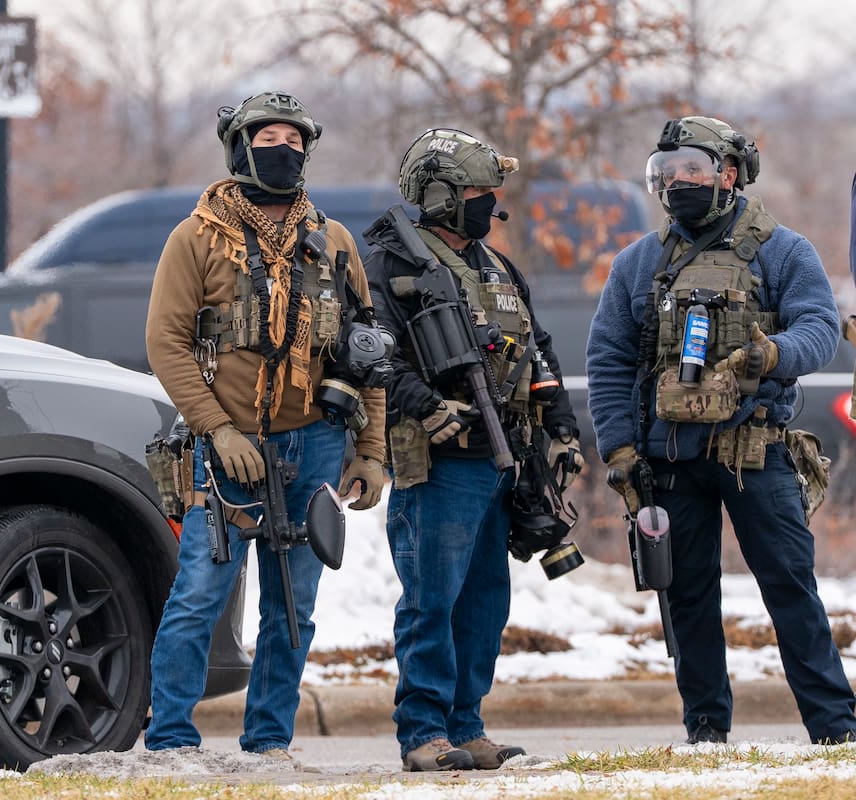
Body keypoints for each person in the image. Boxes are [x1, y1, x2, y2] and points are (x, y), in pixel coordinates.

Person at [587, 115, 856, 745]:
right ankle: (706, 729)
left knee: (790, 587)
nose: (678, 182)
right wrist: (619, 448)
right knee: (687, 595)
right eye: (666, 172)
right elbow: (609, 359)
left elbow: (820, 328)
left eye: (693, 169)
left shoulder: (783, 250)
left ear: (729, 175)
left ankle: (836, 729)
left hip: (755, 450)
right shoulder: (638, 262)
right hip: (669, 457)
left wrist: (774, 355)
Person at [143, 91, 387, 766]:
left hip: (316, 444)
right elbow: (165, 342)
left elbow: (368, 352)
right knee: (200, 594)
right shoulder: (197, 237)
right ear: (240, 148)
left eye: (295, 140)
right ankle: (170, 741)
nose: (284, 150)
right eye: (269, 138)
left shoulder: (332, 242)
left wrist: (370, 451)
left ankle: (270, 741)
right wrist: (218, 430)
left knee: (293, 604)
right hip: (228, 451)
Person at [364, 128, 583, 771]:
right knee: (432, 599)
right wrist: (426, 406)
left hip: (504, 457)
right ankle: (423, 733)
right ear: (439, 195)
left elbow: (539, 350)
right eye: (477, 192)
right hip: (439, 463)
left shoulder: (498, 268)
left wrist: (562, 426)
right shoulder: (392, 266)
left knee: (486, 600)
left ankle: (467, 725)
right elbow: (375, 353)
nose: (490, 203)